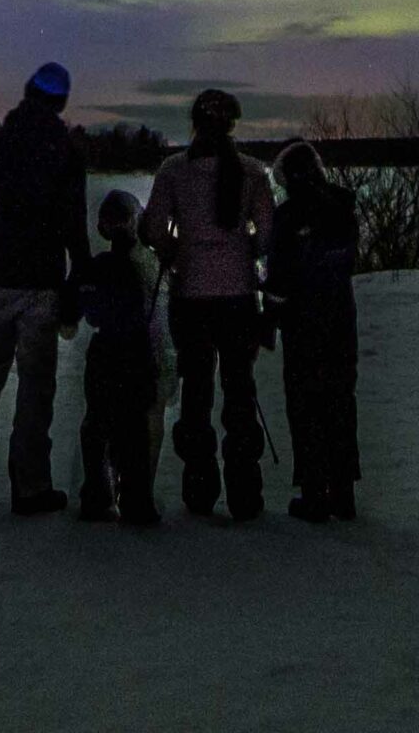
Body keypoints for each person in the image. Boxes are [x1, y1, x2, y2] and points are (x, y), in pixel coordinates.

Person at [0, 60, 92, 514]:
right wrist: (80, 274)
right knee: (35, 385)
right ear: (58, 102)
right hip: (39, 283)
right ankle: (30, 484)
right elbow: (73, 224)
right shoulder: (63, 151)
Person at [136, 84, 273, 520]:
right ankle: (245, 492)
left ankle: (199, 489)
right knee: (239, 389)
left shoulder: (173, 170)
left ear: (194, 124)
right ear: (231, 125)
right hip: (237, 298)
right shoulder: (252, 172)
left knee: (196, 392)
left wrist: (175, 252)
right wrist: (244, 252)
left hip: (190, 297)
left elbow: (155, 229)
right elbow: (268, 234)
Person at [268, 140, 362, 520]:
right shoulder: (343, 206)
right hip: (340, 318)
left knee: (306, 404)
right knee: (340, 400)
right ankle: (343, 492)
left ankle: (314, 493)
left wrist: (267, 319)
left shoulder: (289, 216)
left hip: (304, 322)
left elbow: (278, 277)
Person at [71, 189, 161, 527]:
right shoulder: (142, 268)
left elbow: (75, 306)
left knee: (98, 422)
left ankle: (98, 495)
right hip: (133, 352)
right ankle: (133, 500)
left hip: (105, 352)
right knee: (133, 426)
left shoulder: (97, 268)